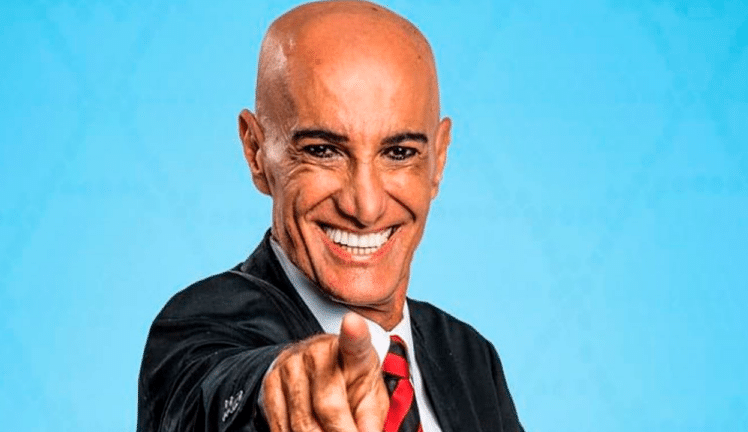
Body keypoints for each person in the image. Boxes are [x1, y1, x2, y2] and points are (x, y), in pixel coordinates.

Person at [137, 1, 524, 431]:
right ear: (256, 152)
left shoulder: (471, 357)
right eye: (323, 151)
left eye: (399, 153)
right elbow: (206, 394)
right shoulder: (197, 324)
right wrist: (277, 385)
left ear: (439, 158)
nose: (365, 207)